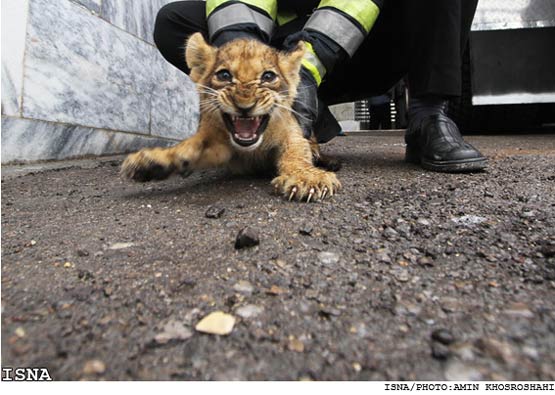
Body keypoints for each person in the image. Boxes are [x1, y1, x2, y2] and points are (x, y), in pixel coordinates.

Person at [153, 0, 488, 173]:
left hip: (363, 45)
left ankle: (427, 117)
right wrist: (245, 65)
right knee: (174, 22)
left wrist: (309, 66)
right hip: (285, 42)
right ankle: (288, 125)